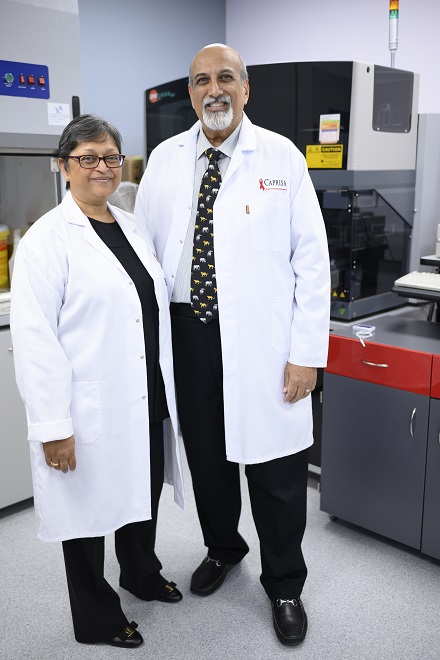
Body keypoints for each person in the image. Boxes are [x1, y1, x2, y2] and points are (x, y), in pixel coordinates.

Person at [134, 44, 330, 647]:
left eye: (225, 78)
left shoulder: (281, 157)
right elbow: (144, 251)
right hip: (189, 336)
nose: (213, 90)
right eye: (201, 81)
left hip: (267, 344)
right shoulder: (166, 161)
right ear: (190, 94)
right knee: (210, 461)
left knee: (275, 470)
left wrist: (306, 354)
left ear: (246, 89)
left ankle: (285, 584)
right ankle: (223, 548)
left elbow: (313, 262)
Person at [10, 114, 184, 649]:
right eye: (87, 158)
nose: (101, 167)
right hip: (85, 407)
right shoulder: (45, 242)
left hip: (144, 395)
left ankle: (140, 571)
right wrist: (53, 427)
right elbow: (37, 345)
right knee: (84, 516)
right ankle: (96, 617)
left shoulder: (130, 226)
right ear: (64, 167)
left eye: (109, 156)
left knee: (142, 490)